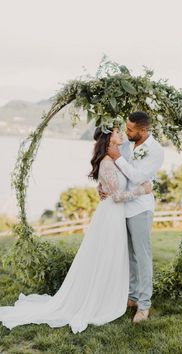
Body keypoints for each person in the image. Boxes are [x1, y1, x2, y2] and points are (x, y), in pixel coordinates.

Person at [0, 125, 152, 334]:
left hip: (114, 215)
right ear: (109, 141)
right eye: (117, 132)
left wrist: (104, 187)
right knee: (107, 257)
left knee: (113, 257)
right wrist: (142, 190)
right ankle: (101, 300)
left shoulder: (114, 159)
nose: (121, 134)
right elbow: (117, 196)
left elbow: (113, 185)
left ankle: (110, 295)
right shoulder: (108, 163)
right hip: (111, 215)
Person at [98, 111, 164, 323]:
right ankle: (133, 296)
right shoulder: (127, 144)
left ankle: (144, 305)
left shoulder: (155, 150)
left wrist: (118, 158)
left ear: (143, 131)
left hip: (140, 208)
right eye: (126, 129)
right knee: (129, 256)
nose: (126, 133)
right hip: (121, 207)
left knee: (142, 256)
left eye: (130, 130)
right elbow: (115, 172)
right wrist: (103, 186)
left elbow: (138, 177)